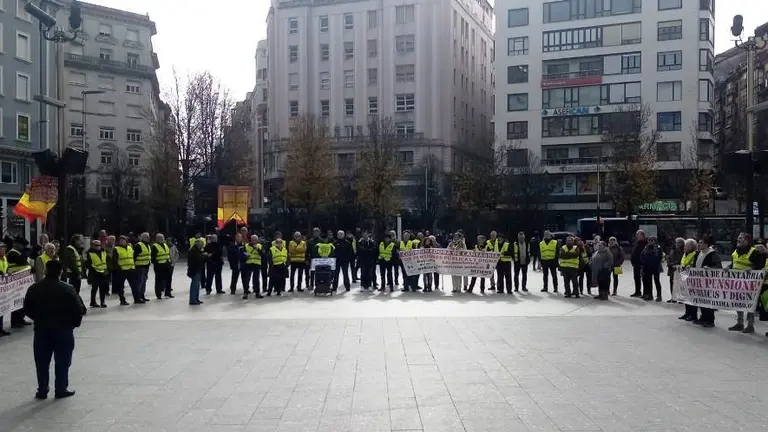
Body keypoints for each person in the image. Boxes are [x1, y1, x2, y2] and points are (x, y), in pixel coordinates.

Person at [23, 260, 87, 400]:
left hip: (42, 329)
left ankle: (42, 389)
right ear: (60, 272)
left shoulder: (35, 288)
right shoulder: (67, 288)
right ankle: (61, 388)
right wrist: (73, 324)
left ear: (45, 271)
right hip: (63, 329)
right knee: (63, 360)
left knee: (41, 361)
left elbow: (27, 308)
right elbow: (79, 309)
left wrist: (38, 319)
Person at [728, 233, 764, 333]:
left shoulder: (754, 252)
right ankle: (740, 323)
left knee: (749, 304)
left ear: (747, 241)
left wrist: (752, 269)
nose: (738, 240)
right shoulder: (735, 251)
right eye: (738, 238)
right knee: (738, 303)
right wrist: (728, 267)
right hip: (736, 283)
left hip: (750, 283)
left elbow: (760, 267)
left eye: (741, 238)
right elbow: (734, 264)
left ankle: (750, 325)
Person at [694, 236, 722, 327]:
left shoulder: (712, 254)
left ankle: (710, 319)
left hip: (709, 282)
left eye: (701, 242)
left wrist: (710, 268)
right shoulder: (699, 253)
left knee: (708, 301)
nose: (699, 244)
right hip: (699, 281)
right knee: (701, 300)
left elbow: (718, 266)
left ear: (706, 244)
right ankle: (703, 317)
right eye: (698, 242)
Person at [676, 239, 699, 321]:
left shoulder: (694, 254)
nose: (684, 247)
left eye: (687, 245)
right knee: (685, 297)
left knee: (691, 298)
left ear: (692, 246)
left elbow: (694, 265)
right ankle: (687, 313)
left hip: (691, 277)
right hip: (684, 276)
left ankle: (693, 315)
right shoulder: (685, 254)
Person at [111, 236, 135, 305]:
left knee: (134, 286)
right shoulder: (116, 249)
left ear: (126, 241)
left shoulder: (130, 247)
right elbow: (114, 261)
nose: (122, 242)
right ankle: (122, 300)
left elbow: (132, 257)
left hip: (130, 269)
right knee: (121, 287)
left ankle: (136, 298)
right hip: (122, 270)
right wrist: (119, 268)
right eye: (121, 241)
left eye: (123, 240)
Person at [85, 240, 109, 308]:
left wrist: (107, 270)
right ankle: (93, 302)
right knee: (94, 288)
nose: (98, 246)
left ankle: (102, 302)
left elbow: (106, 261)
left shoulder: (103, 252)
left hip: (103, 273)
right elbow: (87, 264)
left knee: (102, 288)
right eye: (96, 245)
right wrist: (94, 269)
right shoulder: (90, 253)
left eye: (99, 245)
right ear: (92, 246)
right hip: (95, 273)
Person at [640, 236, 664, 301]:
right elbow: (642, 255)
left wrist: (652, 263)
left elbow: (658, 258)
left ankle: (659, 296)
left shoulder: (658, 248)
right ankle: (649, 295)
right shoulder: (646, 247)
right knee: (648, 281)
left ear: (655, 241)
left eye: (653, 240)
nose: (651, 241)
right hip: (647, 267)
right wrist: (644, 262)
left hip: (655, 267)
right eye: (650, 240)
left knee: (657, 281)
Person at [151, 234, 173, 299]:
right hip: (159, 267)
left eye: (162, 238)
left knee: (169, 279)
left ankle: (168, 293)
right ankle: (158, 294)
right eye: (160, 238)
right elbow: (152, 258)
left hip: (167, 265)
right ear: (157, 239)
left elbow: (168, 254)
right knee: (159, 281)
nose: (162, 239)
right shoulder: (154, 246)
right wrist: (157, 264)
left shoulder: (165, 245)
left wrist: (169, 262)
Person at [242, 235, 264, 299]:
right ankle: (246, 293)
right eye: (252, 239)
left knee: (256, 279)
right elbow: (242, 253)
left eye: (255, 240)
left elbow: (263, 255)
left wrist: (258, 249)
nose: (254, 241)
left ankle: (257, 293)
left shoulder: (260, 246)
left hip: (257, 264)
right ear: (250, 240)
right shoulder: (246, 245)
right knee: (247, 279)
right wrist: (246, 256)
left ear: (257, 240)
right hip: (248, 264)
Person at [132, 233, 151, 303]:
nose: (148, 238)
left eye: (148, 237)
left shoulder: (148, 245)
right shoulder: (138, 245)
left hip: (146, 266)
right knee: (139, 282)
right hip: (139, 267)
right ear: (142, 238)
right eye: (146, 237)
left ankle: (142, 295)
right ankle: (138, 297)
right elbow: (134, 256)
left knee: (144, 282)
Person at [188, 238, 206, 305]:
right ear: (198, 244)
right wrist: (204, 256)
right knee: (195, 285)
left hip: (197, 270)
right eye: (201, 245)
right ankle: (193, 300)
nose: (202, 246)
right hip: (195, 270)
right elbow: (198, 259)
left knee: (197, 285)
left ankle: (196, 298)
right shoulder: (193, 251)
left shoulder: (196, 250)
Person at [630, 230, 648, 298]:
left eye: (638, 234)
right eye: (636, 234)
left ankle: (645, 293)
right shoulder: (636, 243)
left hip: (642, 264)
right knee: (636, 278)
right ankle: (637, 292)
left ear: (642, 235)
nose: (636, 236)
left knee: (644, 279)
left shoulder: (646, 243)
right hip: (635, 264)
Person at [667, 238, 685, 304]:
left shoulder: (684, 251)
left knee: (680, 284)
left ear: (682, 243)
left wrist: (676, 264)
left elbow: (682, 260)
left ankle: (681, 298)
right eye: (676, 242)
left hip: (679, 270)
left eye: (679, 242)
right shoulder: (672, 250)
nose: (677, 243)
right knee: (672, 283)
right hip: (672, 269)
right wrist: (670, 264)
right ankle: (673, 297)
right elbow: (668, 258)